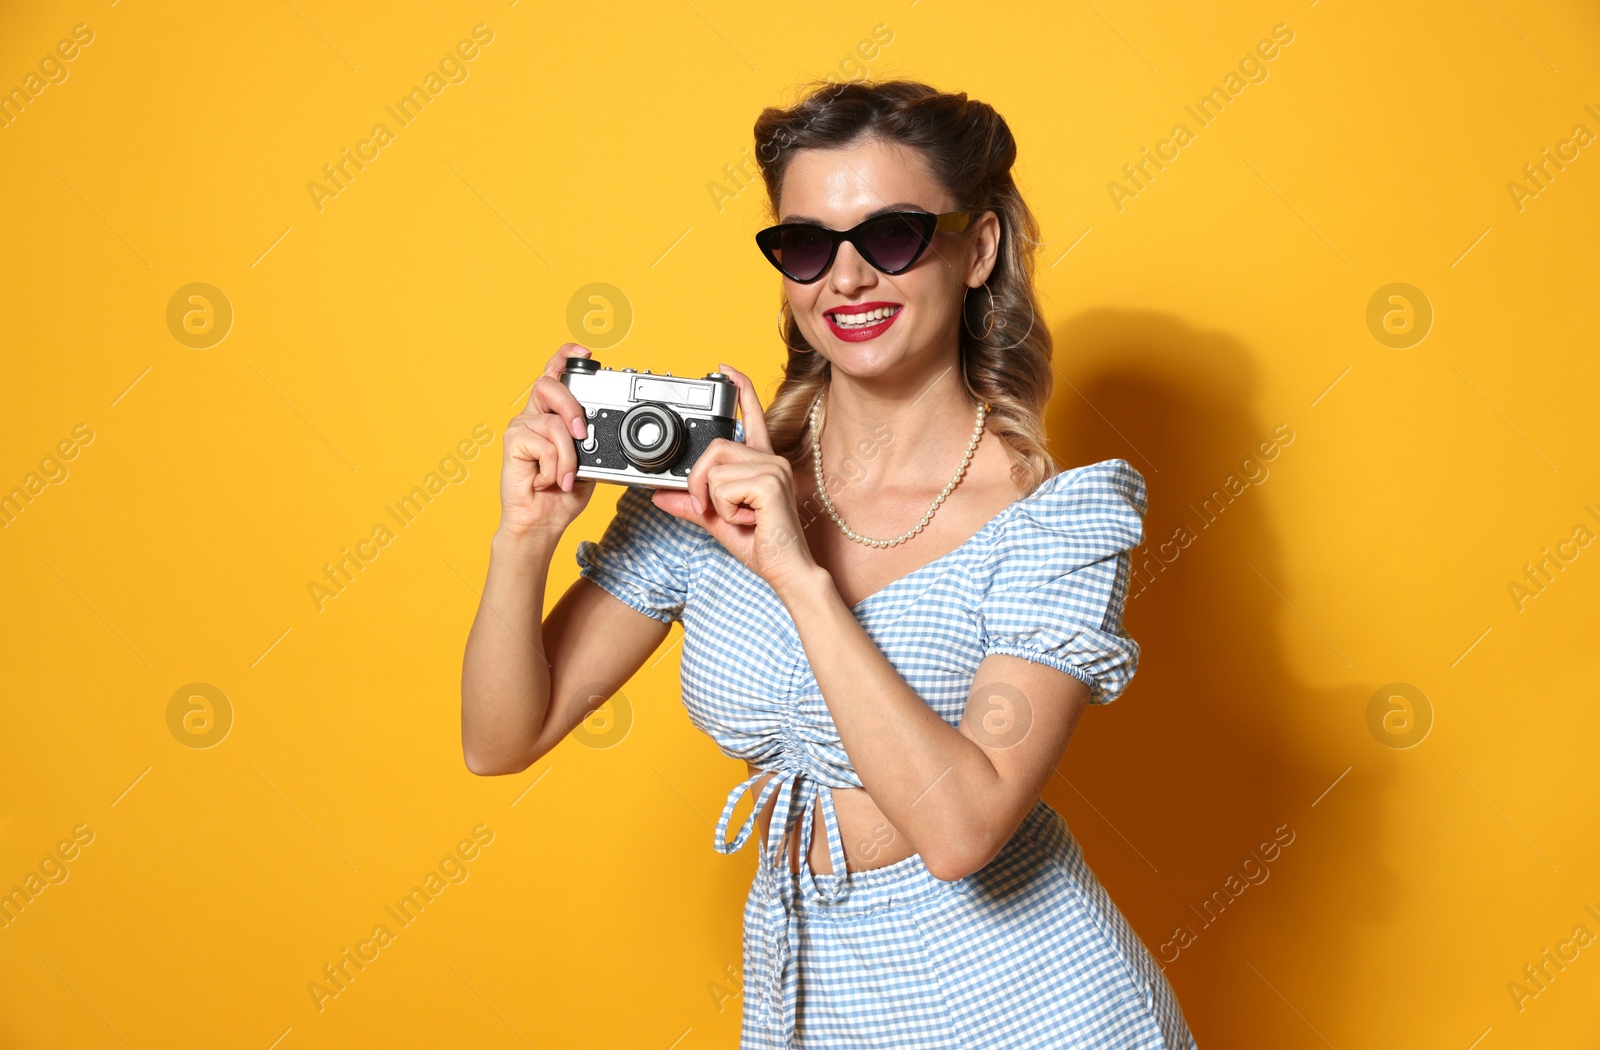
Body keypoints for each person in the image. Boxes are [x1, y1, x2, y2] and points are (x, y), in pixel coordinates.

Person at [461, 78, 1197, 1049]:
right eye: (806, 244)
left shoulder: (1048, 521)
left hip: (1036, 1009)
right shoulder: (709, 479)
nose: (844, 279)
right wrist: (525, 537)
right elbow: (500, 737)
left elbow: (962, 829)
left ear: (976, 249)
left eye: (890, 234)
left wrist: (798, 574)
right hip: (816, 1002)